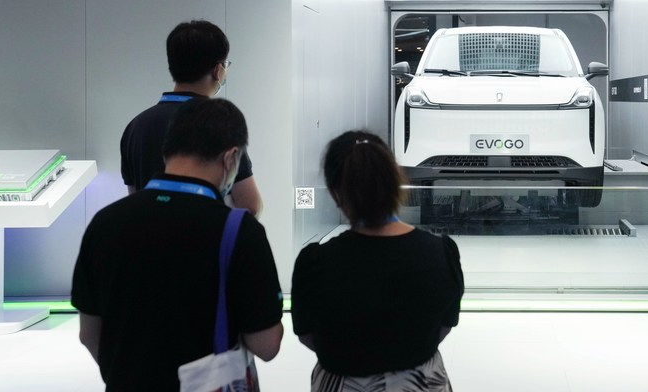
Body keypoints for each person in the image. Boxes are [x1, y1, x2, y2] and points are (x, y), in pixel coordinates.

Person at [72, 98, 284, 391]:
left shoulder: (104, 223)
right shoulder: (239, 230)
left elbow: (88, 334)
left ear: (166, 151)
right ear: (230, 158)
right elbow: (267, 345)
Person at [291, 130, 463, 392]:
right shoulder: (441, 253)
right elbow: (445, 324)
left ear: (336, 193)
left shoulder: (314, 263)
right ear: (395, 181)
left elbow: (306, 334)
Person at [120, 19, 262, 216]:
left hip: (148, 234)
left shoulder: (136, 127)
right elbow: (250, 206)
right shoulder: (220, 124)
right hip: (209, 235)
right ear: (218, 71)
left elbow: (135, 201)